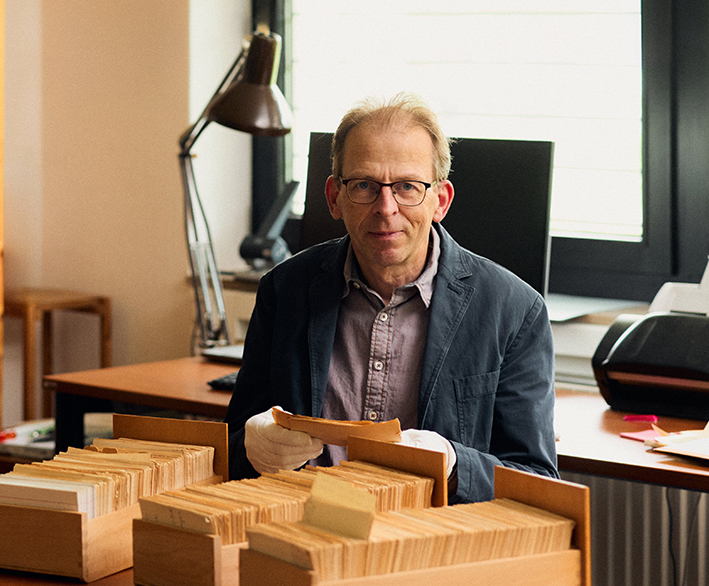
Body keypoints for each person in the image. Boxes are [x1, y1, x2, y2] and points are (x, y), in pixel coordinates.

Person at [224, 92, 558, 504]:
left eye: (407, 187)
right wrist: (249, 448)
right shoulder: (284, 290)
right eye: (364, 185)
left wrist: (454, 465)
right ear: (334, 197)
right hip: (303, 531)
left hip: (433, 546)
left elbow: (538, 480)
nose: (386, 207)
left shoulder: (514, 310)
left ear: (440, 200)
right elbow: (232, 451)